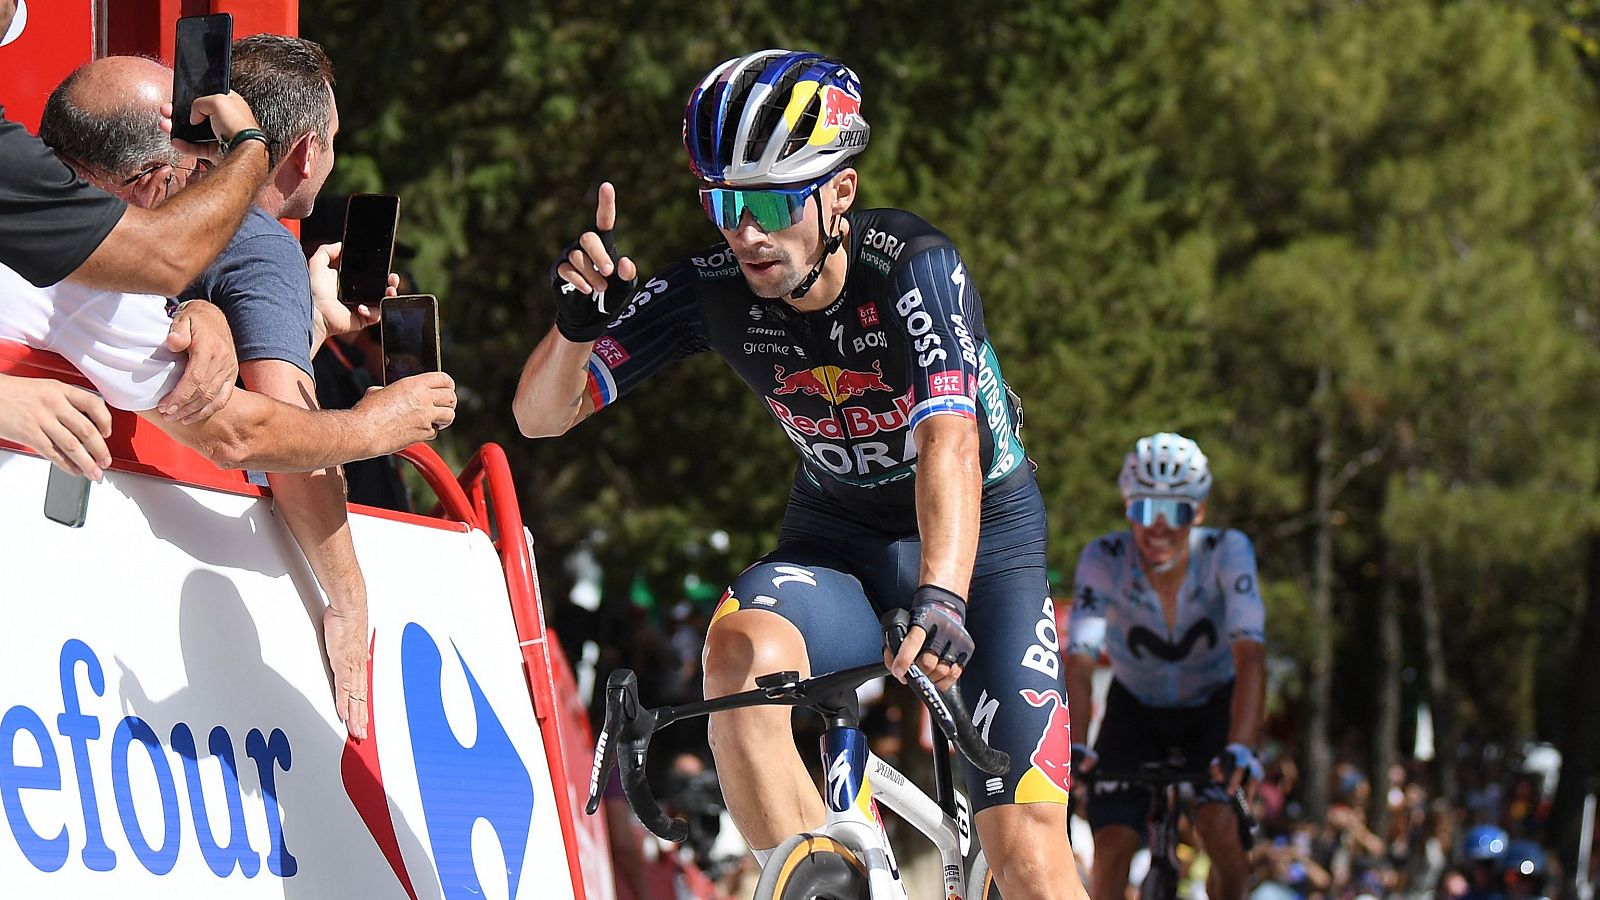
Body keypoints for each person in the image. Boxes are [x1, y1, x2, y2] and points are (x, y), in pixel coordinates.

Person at [514, 49, 1087, 900]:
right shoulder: (713, 288)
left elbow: (951, 446)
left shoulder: (915, 267)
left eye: (773, 201)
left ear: (840, 194)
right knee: (738, 652)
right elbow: (539, 416)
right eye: (724, 202)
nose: (746, 230)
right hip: (838, 537)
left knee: (1033, 862)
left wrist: (944, 595)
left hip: (982, 538)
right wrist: (572, 327)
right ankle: (814, 876)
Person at [22, 52, 458, 738]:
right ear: (151, 183)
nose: (203, 178)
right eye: (192, 164)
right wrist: (378, 431)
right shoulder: (127, 282)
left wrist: (295, 324)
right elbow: (249, 438)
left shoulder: (24, 191)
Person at [1066, 432, 1267, 900]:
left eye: (1174, 511)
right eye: (1143, 509)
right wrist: (1076, 743)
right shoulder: (1104, 557)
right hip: (1134, 707)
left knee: (1220, 830)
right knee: (1112, 845)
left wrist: (1241, 746)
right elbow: (1079, 661)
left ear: (1198, 512)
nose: (1157, 527)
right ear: (1126, 508)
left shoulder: (1227, 551)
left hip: (1213, 705)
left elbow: (1251, 656)